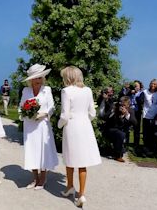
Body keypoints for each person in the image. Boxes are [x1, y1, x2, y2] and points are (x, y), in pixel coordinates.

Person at [57, 66, 101, 208]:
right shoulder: (87, 90)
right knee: (82, 162)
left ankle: (70, 186)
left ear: (67, 77)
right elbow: (92, 113)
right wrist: (84, 119)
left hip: (72, 127)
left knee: (70, 159)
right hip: (85, 127)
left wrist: (59, 125)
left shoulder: (66, 91)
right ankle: (81, 194)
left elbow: (64, 115)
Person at [18, 63, 58, 190]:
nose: (38, 80)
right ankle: (35, 178)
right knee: (32, 151)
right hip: (29, 126)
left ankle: (43, 178)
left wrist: (44, 114)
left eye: (40, 77)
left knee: (43, 151)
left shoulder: (47, 90)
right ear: (31, 80)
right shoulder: (26, 91)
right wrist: (25, 114)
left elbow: (52, 107)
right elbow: (21, 107)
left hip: (42, 125)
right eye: (36, 78)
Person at [103, 96, 137, 162]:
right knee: (120, 134)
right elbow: (105, 117)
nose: (122, 107)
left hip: (123, 131)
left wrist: (127, 114)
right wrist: (112, 112)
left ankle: (117, 152)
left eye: (124, 105)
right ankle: (118, 156)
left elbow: (135, 123)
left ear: (128, 105)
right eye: (121, 104)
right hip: (111, 130)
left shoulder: (131, 111)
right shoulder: (114, 108)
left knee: (121, 134)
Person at [136, 79, 157, 157]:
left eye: (155, 84)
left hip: (155, 116)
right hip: (147, 115)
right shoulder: (145, 92)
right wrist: (139, 100)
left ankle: (153, 148)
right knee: (146, 133)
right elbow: (139, 100)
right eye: (152, 84)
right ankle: (146, 148)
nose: (153, 85)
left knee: (154, 133)